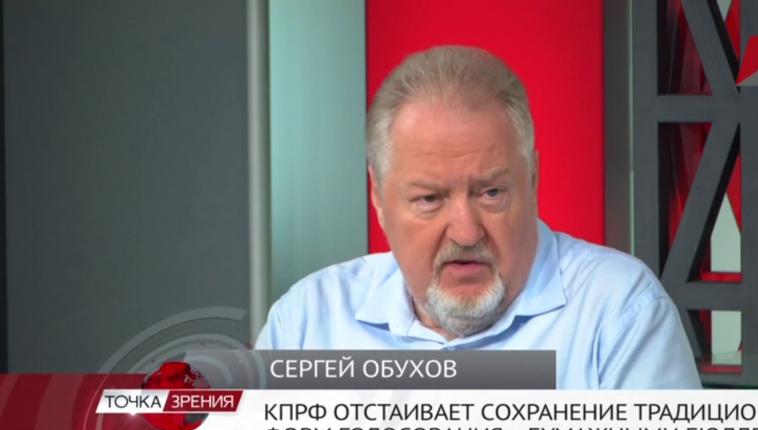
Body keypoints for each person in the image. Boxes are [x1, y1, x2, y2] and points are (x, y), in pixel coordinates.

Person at [256, 45, 700, 389]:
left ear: (532, 179)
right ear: (378, 198)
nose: (466, 232)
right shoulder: (307, 322)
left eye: (491, 193)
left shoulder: (619, 312)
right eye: (430, 199)